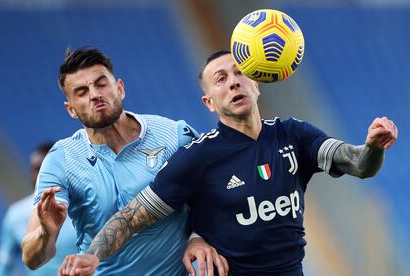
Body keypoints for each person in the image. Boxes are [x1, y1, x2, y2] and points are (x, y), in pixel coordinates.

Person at [60, 50, 398, 276]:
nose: (233, 81)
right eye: (220, 79)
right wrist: (94, 255)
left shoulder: (294, 135)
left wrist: (373, 147)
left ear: (256, 83)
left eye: (239, 73)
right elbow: (132, 217)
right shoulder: (197, 157)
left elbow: (358, 164)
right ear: (209, 101)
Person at [21, 47, 224, 275]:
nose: (94, 94)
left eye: (101, 84)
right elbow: (32, 259)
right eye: (81, 92)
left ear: (120, 88)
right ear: (71, 110)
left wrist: (197, 237)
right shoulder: (61, 160)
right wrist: (46, 234)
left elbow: (215, 203)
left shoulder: (174, 134)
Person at [0, 142, 77, 276]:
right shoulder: (15, 215)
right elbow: (4, 267)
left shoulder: (82, 208)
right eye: (36, 169)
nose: (41, 175)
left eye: (47, 169)